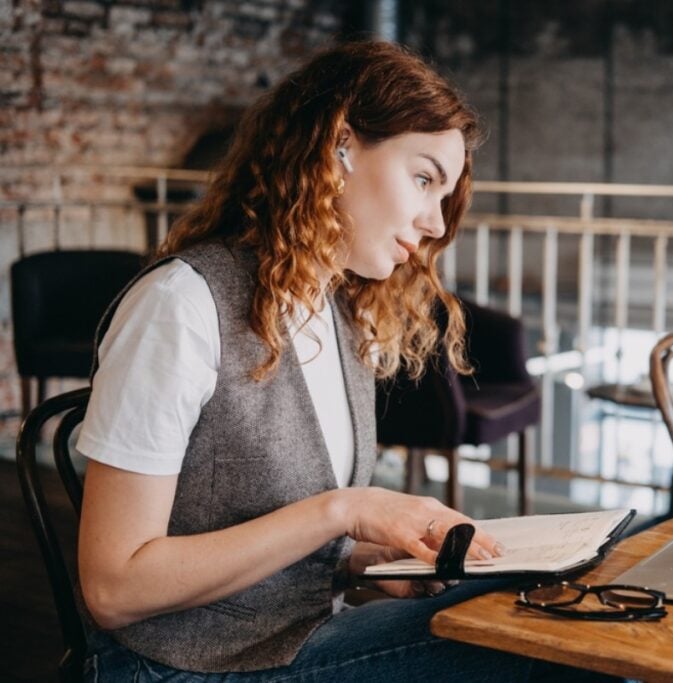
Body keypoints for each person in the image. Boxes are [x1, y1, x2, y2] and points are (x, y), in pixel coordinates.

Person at [76, 41, 548, 681]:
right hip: (187, 669)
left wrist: (368, 559)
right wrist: (343, 510)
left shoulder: (336, 309)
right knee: (535, 646)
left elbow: (277, 533)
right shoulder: (181, 305)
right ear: (340, 147)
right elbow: (113, 589)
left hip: (305, 640)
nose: (437, 223)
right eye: (424, 178)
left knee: (541, 609)